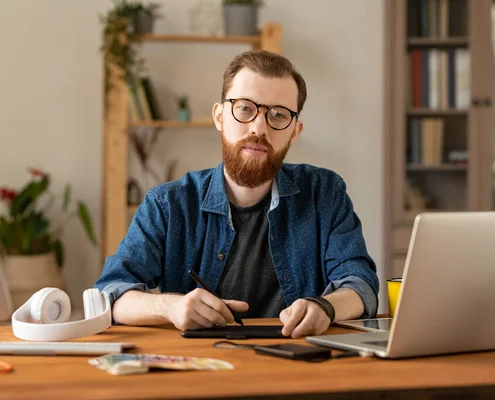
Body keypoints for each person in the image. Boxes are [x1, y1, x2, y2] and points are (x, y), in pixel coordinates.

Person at [94, 50, 379, 338]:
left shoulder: (325, 193)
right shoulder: (168, 204)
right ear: (219, 116)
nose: (259, 127)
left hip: (301, 363)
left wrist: (326, 307)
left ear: (295, 131)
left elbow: (360, 285)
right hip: (200, 368)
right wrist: (171, 307)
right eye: (244, 108)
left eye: (278, 115)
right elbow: (110, 293)